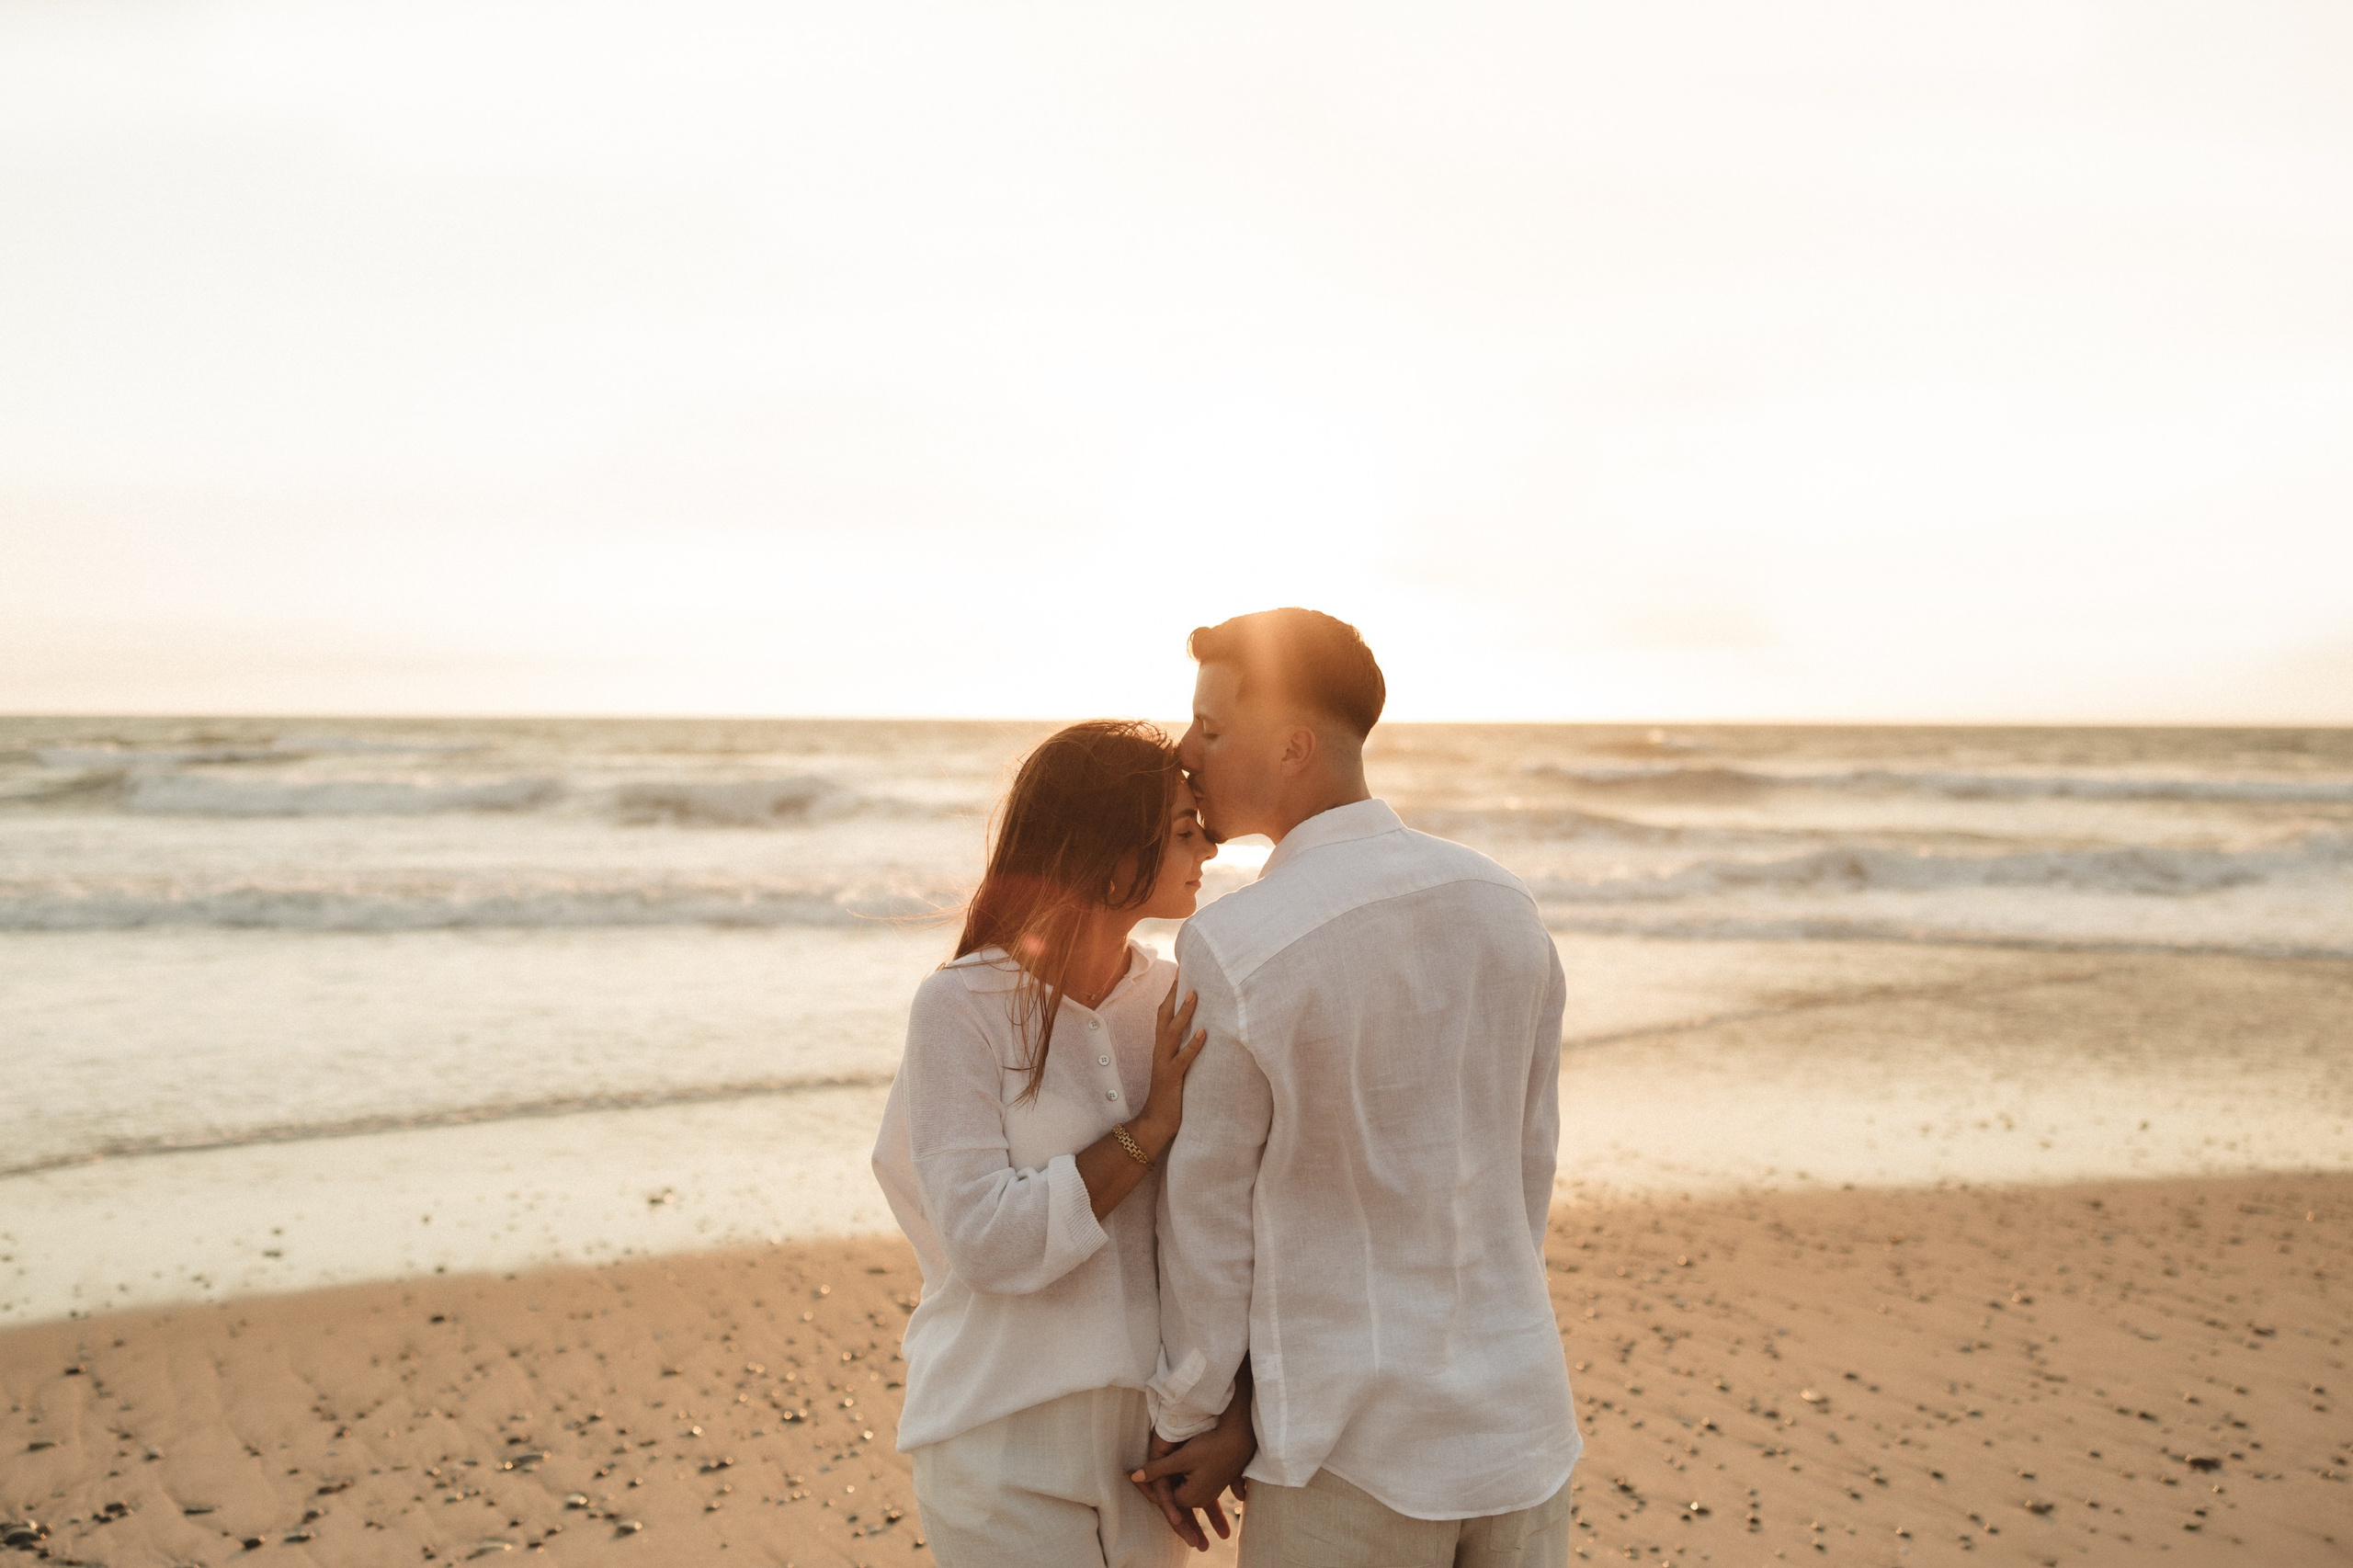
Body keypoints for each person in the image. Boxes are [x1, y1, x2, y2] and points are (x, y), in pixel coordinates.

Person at [1136, 608, 1581, 1566]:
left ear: (1292, 746)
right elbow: (1525, 1166)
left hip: (1352, 1454)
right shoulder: (1504, 904)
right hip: (1522, 1427)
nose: (1184, 750)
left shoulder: (1239, 945)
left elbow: (1209, 1217)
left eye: (1210, 729)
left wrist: (1193, 1412)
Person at [872, 719, 1256, 1568]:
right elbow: (988, 1243)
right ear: (1107, 846)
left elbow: (1226, 1228)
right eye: (1187, 833)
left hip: (1152, 1449)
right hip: (999, 1434)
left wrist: (1230, 1418)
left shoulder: (1182, 998)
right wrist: (1148, 1128)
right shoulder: (959, 1010)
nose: (1210, 853)